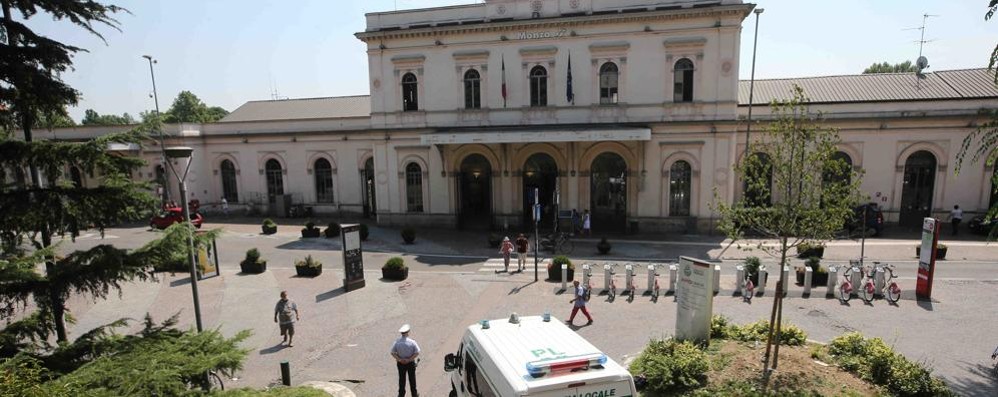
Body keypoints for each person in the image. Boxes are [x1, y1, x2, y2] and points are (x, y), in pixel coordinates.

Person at [391, 324, 420, 397]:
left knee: (402, 379)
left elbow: (392, 352)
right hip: (410, 363)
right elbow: (417, 352)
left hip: (401, 364)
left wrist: (400, 359)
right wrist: (409, 359)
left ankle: (401, 394)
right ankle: (414, 394)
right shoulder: (412, 342)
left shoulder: (397, 342)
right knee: (412, 379)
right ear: (408, 332)